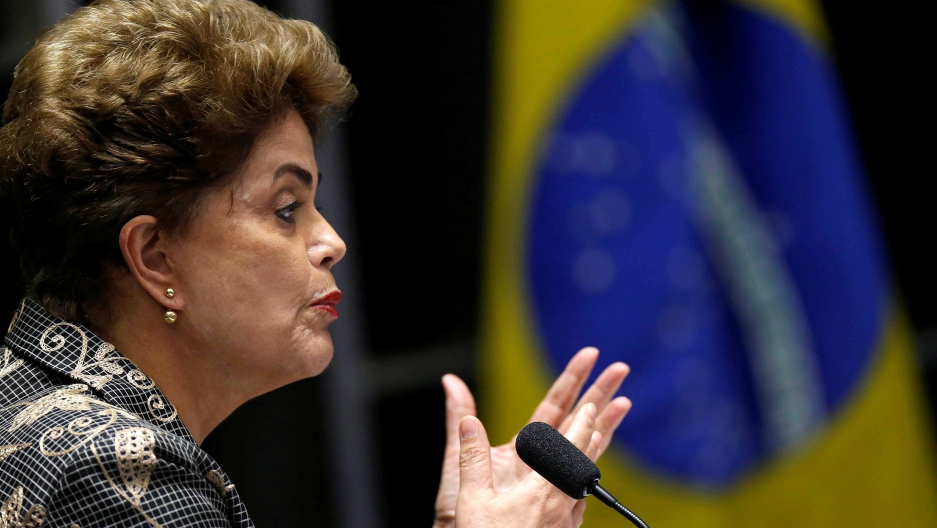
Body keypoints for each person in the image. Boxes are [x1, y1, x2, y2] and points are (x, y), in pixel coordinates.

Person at [0, 0, 633, 526]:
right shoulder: (108, 466)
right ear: (155, 256)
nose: (331, 240)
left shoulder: (48, 407)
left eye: (314, 201)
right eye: (285, 208)